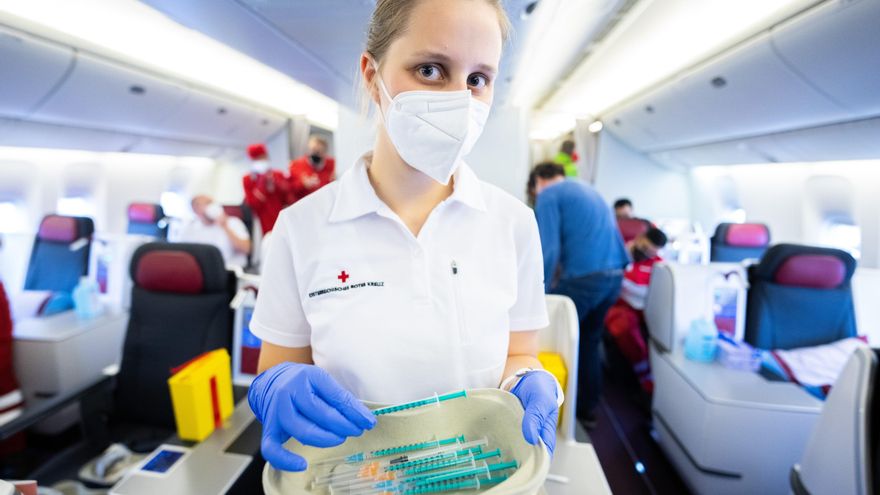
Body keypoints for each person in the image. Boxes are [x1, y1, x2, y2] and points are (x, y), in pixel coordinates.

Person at [247, 0, 562, 473]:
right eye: (431, 70)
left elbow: (519, 354)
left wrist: (528, 378)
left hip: (475, 474)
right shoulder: (299, 228)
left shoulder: (513, 223)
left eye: (478, 79)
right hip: (349, 477)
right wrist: (275, 385)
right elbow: (278, 366)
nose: (460, 99)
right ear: (373, 76)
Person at [532, 162, 629, 428]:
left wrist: (539, 293)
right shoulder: (587, 189)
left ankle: (550, 410)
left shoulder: (549, 195)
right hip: (614, 277)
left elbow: (547, 248)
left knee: (547, 337)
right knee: (588, 339)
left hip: (585, 279)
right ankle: (587, 409)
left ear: (539, 181)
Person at [604, 226, 667, 394]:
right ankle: (644, 377)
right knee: (625, 325)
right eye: (645, 249)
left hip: (646, 307)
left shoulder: (659, 265)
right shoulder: (618, 252)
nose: (647, 254)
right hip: (619, 304)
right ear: (640, 238)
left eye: (651, 253)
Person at [178, 195, 251, 268]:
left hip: (229, 270)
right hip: (203, 270)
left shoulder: (233, 223)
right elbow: (182, 253)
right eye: (207, 203)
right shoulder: (190, 229)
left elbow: (246, 249)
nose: (212, 206)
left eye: (212, 203)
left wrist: (225, 226)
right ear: (195, 209)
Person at [242, 143, 291, 234]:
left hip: (280, 218)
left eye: (262, 157)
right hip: (261, 222)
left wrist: (276, 182)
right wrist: (261, 184)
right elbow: (253, 204)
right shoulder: (248, 179)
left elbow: (288, 198)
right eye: (257, 158)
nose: (261, 160)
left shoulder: (278, 175)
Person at [288, 135, 336, 204]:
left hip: (325, 204)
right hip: (304, 206)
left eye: (319, 152)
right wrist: (303, 184)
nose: (315, 154)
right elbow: (289, 190)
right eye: (313, 150)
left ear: (325, 153)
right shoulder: (296, 165)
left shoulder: (332, 165)